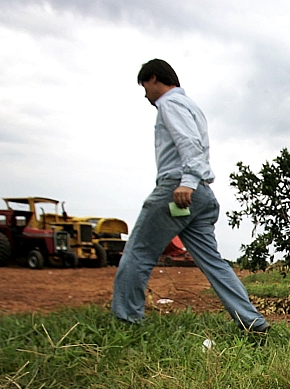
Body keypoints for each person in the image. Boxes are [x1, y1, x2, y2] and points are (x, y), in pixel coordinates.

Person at [112, 58, 269, 332]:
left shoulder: (170, 104)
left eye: (145, 86)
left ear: (153, 79)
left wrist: (187, 182)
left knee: (137, 253)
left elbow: (189, 142)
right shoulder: (191, 105)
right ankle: (252, 322)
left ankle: (126, 322)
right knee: (213, 262)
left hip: (179, 190)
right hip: (202, 196)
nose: (145, 94)